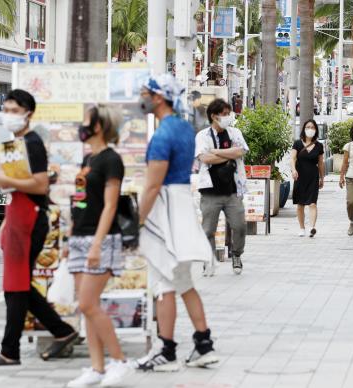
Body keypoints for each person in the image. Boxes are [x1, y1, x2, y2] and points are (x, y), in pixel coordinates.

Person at [0, 90, 79, 367]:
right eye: (6, 109)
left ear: (28, 113)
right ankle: (61, 331)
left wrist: (3, 178)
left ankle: (10, 350)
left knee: (16, 287)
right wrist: (6, 221)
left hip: (30, 220)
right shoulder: (16, 142)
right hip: (18, 218)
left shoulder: (32, 143)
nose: (8, 114)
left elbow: (41, 185)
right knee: (18, 287)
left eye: (14, 109)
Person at [136, 74, 219, 371]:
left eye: (145, 92)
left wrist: (137, 222)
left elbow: (152, 185)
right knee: (183, 282)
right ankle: (203, 344)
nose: (140, 97)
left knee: (164, 284)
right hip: (182, 205)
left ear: (159, 97)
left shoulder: (163, 134)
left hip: (166, 211)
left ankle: (167, 351)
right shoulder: (185, 128)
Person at [65, 105, 133, 386]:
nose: (82, 126)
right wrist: (72, 236)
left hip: (101, 239)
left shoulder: (111, 160)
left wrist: (96, 245)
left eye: (86, 122)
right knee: (86, 307)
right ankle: (97, 368)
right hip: (80, 236)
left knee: (88, 303)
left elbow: (110, 206)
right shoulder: (89, 159)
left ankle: (119, 361)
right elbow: (80, 200)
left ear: (99, 126)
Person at [196, 98, 249, 274]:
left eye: (229, 114)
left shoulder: (235, 133)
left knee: (239, 225)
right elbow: (204, 158)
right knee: (208, 229)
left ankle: (236, 254)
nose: (228, 117)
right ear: (214, 116)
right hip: (210, 191)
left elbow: (240, 151)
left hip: (232, 190)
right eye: (224, 114)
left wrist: (216, 152)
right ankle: (209, 259)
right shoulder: (202, 136)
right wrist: (229, 154)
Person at [291, 120, 325, 237]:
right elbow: (293, 159)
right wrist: (293, 170)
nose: (310, 129)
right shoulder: (297, 143)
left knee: (312, 203)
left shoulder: (319, 146)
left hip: (313, 177)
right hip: (300, 176)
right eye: (308, 127)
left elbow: (321, 163)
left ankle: (312, 227)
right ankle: (301, 228)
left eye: (312, 127)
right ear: (304, 129)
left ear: (315, 130)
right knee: (300, 204)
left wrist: (322, 178)